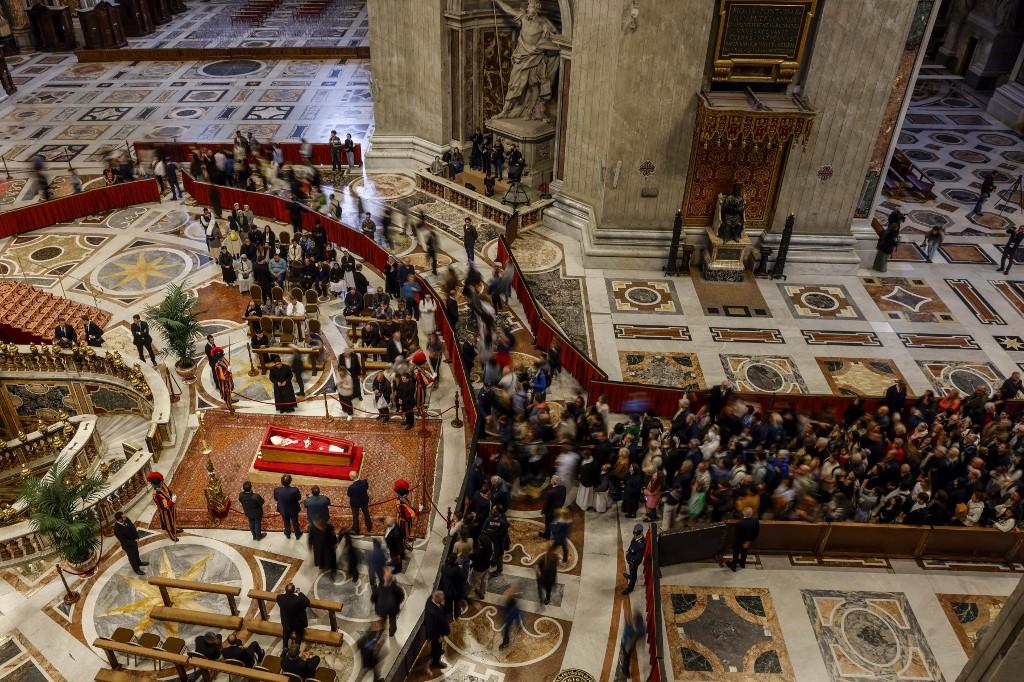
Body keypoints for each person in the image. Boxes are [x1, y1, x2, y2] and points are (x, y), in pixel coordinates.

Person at [277, 584, 311, 648]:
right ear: (294, 591)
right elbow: (307, 602)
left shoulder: (279, 597)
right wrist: (299, 593)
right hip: (297, 623)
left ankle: (285, 647)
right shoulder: (298, 599)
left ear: (285, 590)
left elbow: (282, 601)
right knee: (299, 632)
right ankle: (296, 647)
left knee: (285, 631)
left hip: (286, 622)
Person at [727, 506, 760, 571]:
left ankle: (734, 566)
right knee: (744, 552)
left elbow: (736, 535)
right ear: (752, 513)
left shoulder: (740, 523)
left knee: (736, 553)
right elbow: (756, 532)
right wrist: (749, 541)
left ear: (743, 513)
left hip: (739, 542)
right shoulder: (756, 522)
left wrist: (734, 543)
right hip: (748, 541)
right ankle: (742, 564)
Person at [148, 472, 179, 542]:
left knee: (173, 519)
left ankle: (175, 529)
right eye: (160, 483)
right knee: (168, 523)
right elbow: (164, 507)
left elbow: (168, 491)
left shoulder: (162, 484)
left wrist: (172, 495)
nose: (162, 483)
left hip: (171, 507)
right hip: (165, 511)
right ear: (155, 485)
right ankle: (172, 535)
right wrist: (172, 501)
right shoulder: (156, 495)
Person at [374, 568, 405, 637]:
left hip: (382, 609)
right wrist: (397, 603)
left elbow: (374, 597)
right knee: (392, 620)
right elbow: (401, 597)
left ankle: (381, 628)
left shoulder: (381, 586)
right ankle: (392, 631)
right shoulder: (396, 589)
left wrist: (376, 602)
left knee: (383, 619)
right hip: (392, 609)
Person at [424, 590, 450, 670]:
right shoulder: (432, 612)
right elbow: (433, 627)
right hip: (436, 633)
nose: (442, 600)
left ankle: (433, 653)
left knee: (435, 645)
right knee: (438, 645)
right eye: (441, 599)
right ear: (436, 598)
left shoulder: (431, 599)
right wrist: (438, 636)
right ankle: (436, 662)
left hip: (438, 630)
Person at [273, 474, 303, 539]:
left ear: (281, 482)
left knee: (286, 522)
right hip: (294, 509)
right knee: (295, 522)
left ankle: (287, 534)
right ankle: (297, 534)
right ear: (290, 481)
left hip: (283, 509)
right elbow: (299, 498)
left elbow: (276, 499)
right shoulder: (295, 490)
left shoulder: (277, 490)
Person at [622, 524, 645, 594]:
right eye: (634, 534)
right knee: (631, 571)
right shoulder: (635, 538)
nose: (635, 535)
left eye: (637, 534)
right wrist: (628, 550)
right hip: (631, 560)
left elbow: (638, 558)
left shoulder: (641, 545)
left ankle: (630, 587)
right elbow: (631, 545)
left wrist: (629, 558)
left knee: (633, 572)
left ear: (641, 533)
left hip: (634, 562)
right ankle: (631, 576)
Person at [347, 471, 372, 535]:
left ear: (351, 478)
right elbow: (366, 488)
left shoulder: (351, 487)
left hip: (355, 504)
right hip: (364, 501)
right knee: (366, 514)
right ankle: (369, 527)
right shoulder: (364, 482)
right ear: (357, 475)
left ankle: (356, 530)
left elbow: (349, 495)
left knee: (355, 517)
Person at [498, 585, 523, 650]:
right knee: (507, 628)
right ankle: (506, 642)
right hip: (511, 611)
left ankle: (506, 642)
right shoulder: (510, 596)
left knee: (507, 627)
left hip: (511, 612)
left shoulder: (510, 596)